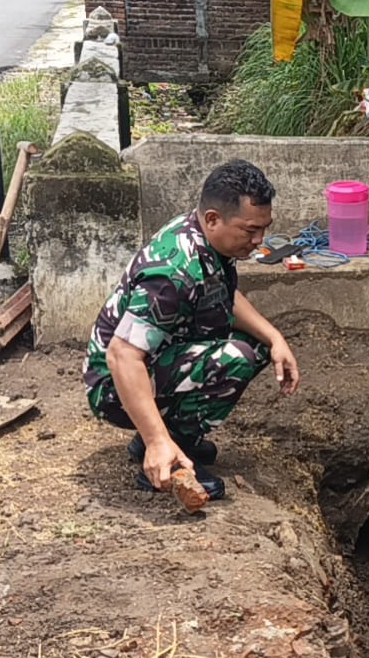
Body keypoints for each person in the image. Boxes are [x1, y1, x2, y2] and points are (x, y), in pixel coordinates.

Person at [84, 160, 300, 499]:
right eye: (250, 230)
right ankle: (165, 452)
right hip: (115, 387)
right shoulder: (172, 273)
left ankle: (172, 436)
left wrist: (275, 338)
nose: (259, 241)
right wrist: (157, 440)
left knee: (259, 346)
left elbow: (221, 294)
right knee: (235, 357)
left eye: (264, 229)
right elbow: (122, 356)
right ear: (213, 219)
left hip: (157, 357)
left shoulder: (206, 239)